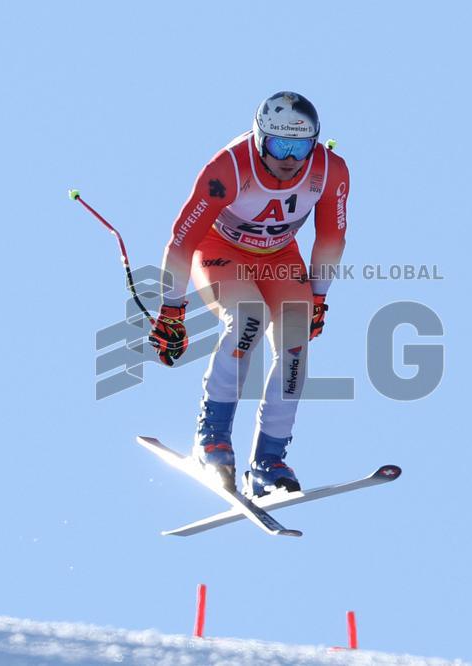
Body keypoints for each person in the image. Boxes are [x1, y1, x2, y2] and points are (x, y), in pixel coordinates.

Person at [148, 91, 349, 497]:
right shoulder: (230, 166)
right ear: (260, 139)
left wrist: (319, 296)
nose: (290, 158)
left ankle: (268, 461)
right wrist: (172, 311)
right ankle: (212, 438)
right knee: (248, 320)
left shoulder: (330, 171)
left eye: (301, 146)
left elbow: (331, 236)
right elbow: (181, 241)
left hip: (279, 256)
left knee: (295, 345)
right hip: (220, 250)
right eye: (280, 145)